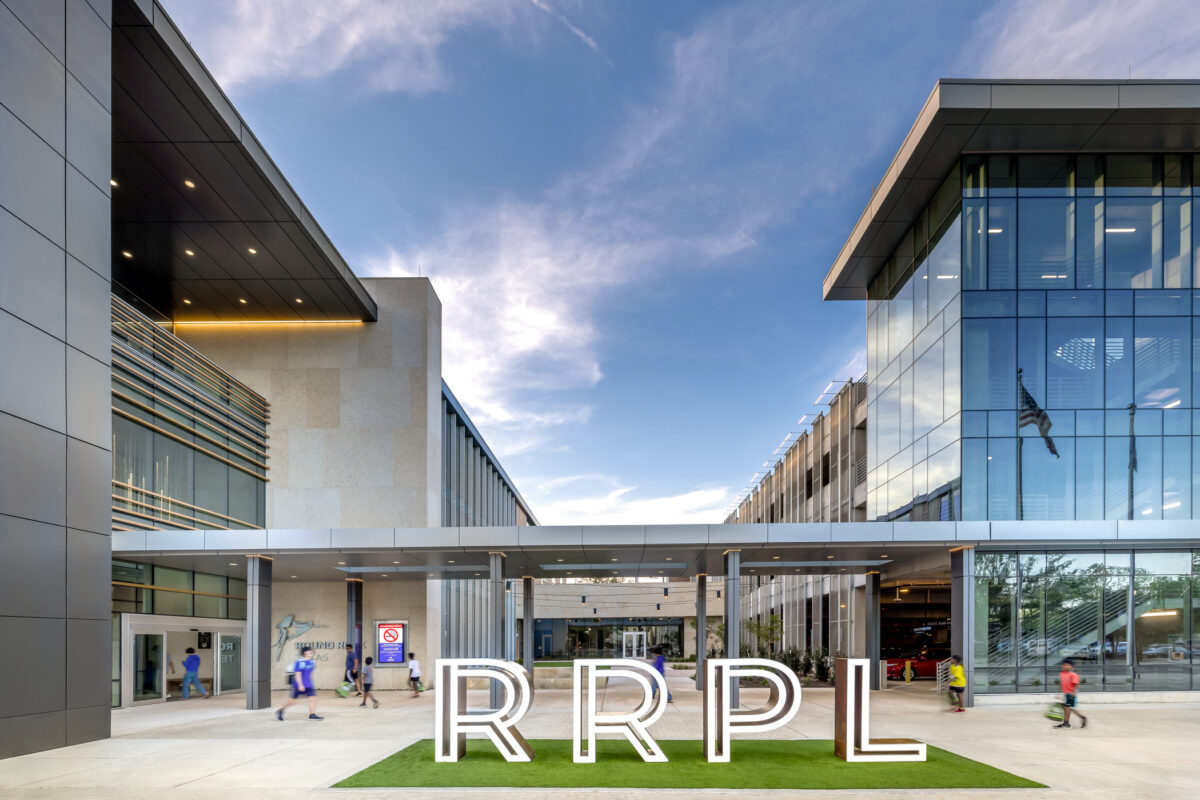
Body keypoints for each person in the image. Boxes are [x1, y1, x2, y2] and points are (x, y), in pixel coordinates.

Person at [276, 646, 322, 721]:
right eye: (308, 651)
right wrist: (300, 685)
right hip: (298, 685)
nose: (310, 652)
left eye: (310, 651)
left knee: (312, 699)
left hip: (309, 685)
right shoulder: (299, 662)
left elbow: (310, 673)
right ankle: (280, 711)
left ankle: (312, 715)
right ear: (304, 653)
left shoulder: (312, 662)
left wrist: (310, 682)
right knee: (293, 701)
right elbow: (297, 675)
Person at [1054, 658, 1088, 729]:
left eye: (1067, 665)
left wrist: (1074, 692)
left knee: (1067, 708)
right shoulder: (1062, 674)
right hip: (1065, 693)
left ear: (1071, 667)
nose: (1065, 666)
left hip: (1070, 694)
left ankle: (1066, 723)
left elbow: (1076, 684)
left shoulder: (1073, 674)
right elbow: (1061, 683)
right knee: (1069, 708)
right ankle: (1082, 718)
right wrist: (1058, 693)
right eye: (1064, 664)